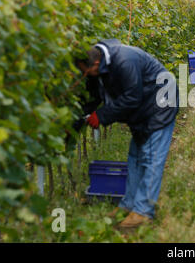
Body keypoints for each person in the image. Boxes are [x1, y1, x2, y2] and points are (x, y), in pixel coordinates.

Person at [75, 38, 179, 229]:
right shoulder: (102, 68)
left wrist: (102, 115)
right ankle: (128, 205)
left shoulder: (124, 61)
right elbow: (95, 97)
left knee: (151, 157)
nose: (86, 75)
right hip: (144, 106)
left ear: (96, 63)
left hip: (161, 102)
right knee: (135, 157)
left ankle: (143, 211)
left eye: (87, 71)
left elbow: (132, 97)